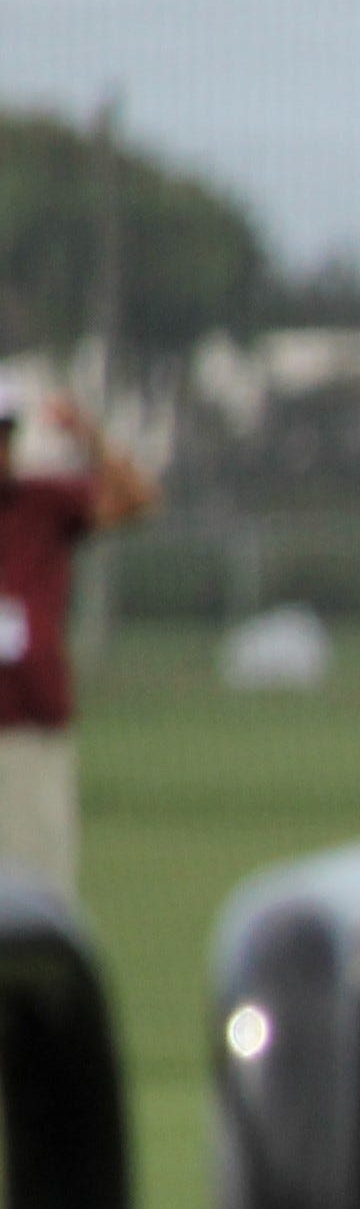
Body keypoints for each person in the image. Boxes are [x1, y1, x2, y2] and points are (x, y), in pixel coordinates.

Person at [0, 380, 157, 894]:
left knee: (38, 879)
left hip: (30, 723)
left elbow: (136, 500)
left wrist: (89, 435)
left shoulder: (43, 504)